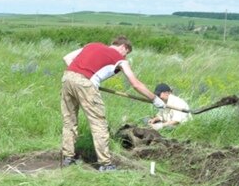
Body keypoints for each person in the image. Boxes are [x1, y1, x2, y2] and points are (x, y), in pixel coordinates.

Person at [61, 36, 165, 171]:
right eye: (126, 53)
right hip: (86, 84)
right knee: (99, 124)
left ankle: (68, 158)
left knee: (69, 120)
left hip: (67, 78)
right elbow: (135, 84)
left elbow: (67, 58)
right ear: (124, 48)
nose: (126, 56)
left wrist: (82, 77)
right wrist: (155, 99)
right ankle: (105, 164)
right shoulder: (120, 59)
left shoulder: (93, 44)